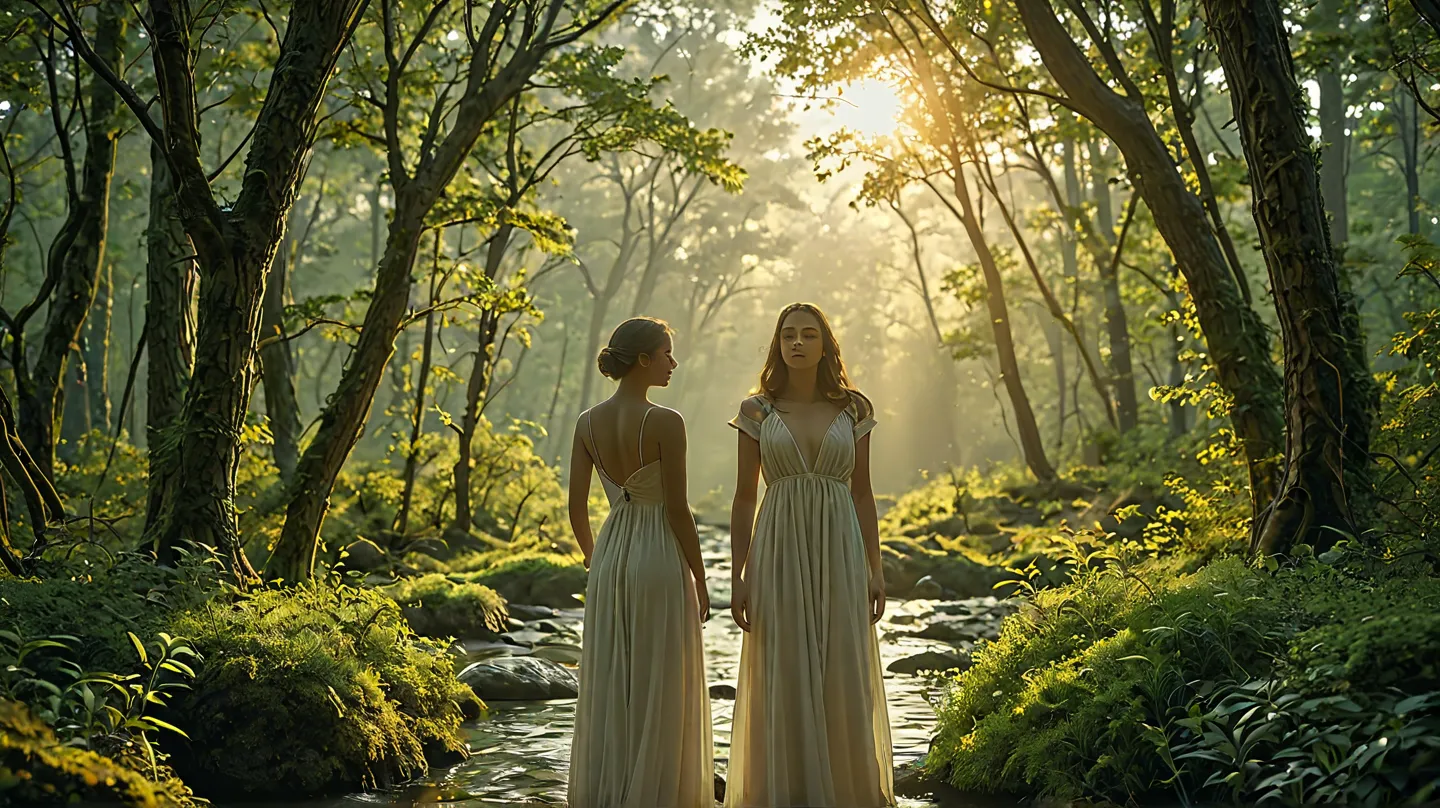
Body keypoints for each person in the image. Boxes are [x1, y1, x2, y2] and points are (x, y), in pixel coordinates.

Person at [725, 302, 894, 808]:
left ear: (826, 346)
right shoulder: (757, 410)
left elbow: (863, 493)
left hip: (840, 545)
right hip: (778, 546)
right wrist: (738, 576)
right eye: (788, 335)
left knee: (841, 663)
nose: (797, 343)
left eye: (808, 335)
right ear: (777, 344)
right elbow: (742, 496)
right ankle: (785, 789)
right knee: (783, 663)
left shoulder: (854, 408)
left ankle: (845, 789)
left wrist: (876, 569)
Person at [566, 317, 714, 808]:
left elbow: (576, 507)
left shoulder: (586, 423)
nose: (674, 363)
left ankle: (611, 787)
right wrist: (700, 575)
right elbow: (676, 509)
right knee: (662, 675)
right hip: (658, 554)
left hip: (611, 553)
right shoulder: (666, 422)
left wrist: (595, 558)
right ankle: (660, 791)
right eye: (667, 354)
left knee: (616, 676)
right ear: (644, 359)